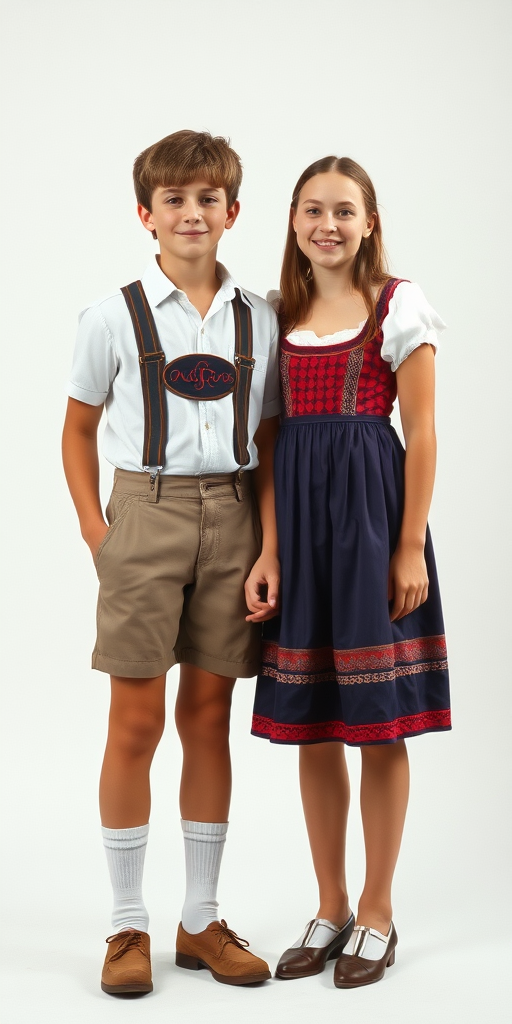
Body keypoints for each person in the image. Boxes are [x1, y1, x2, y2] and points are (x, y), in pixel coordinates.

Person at [62, 130, 280, 994]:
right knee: (135, 724)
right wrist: (97, 535)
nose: (193, 214)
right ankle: (125, 927)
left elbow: (264, 442)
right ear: (145, 214)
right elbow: (77, 430)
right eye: (175, 200)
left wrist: (267, 544)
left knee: (207, 719)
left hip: (231, 512)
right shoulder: (112, 314)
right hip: (142, 513)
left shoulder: (257, 316)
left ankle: (200, 919)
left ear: (233, 212)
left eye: (208, 200)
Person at [249, 156, 451, 988]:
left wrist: (409, 545)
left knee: (379, 721)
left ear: (369, 221)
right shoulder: (274, 314)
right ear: (292, 222)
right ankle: (329, 904)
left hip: (371, 525)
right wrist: (268, 548)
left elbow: (426, 429)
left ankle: (377, 909)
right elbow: (264, 443)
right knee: (315, 720)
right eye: (310, 211)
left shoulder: (397, 303)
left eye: (343, 211)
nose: (325, 225)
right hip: (297, 530)